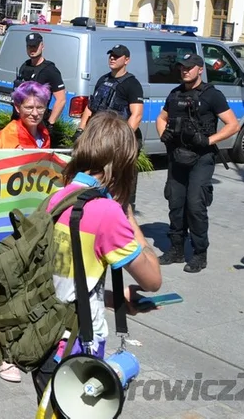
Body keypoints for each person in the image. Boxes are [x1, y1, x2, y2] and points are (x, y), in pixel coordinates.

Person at [30, 112, 163, 403]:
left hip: (46, 341)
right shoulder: (107, 212)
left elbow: (66, 278)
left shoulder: (59, 197)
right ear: (122, 163)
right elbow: (153, 279)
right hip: (78, 350)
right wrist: (127, 213)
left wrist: (115, 300)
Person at [155, 52, 240, 273]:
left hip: (201, 158)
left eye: (189, 67)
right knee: (175, 204)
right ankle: (176, 249)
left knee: (195, 206)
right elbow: (161, 118)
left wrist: (208, 140)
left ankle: (199, 253)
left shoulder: (212, 95)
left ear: (200, 69)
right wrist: (164, 135)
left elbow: (233, 125)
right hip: (177, 156)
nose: (185, 70)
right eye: (182, 67)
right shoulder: (175, 94)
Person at [77, 44, 144, 142]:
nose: (112, 58)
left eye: (116, 56)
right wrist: (81, 130)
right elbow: (91, 107)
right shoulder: (103, 80)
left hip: (116, 136)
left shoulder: (132, 84)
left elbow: (137, 115)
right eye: (111, 55)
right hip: (97, 134)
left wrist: (122, 140)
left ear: (126, 60)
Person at [15, 33, 67, 127]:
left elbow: (61, 100)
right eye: (29, 46)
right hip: (21, 120)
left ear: (42, 46)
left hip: (37, 121)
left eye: (35, 46)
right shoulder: (25, 66)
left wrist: (50, 123)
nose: (32, 49)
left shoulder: (50, 70)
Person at [0, 81, 52, 149]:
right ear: (17, 108)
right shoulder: (8, 136)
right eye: (29, 108)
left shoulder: (44, 134)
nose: (35, 113)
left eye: (40, 108)